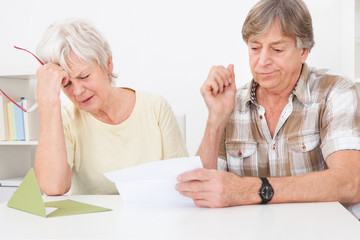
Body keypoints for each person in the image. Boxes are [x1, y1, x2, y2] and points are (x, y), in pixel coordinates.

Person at [175, 0, 360, 218]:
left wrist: (249, 190)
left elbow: (351, 183)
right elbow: (198, 190)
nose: (262, 61)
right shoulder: (232, 103)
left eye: (277, 49)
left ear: (304, 52)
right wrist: (216, 118)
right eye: (255, 48)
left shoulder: (334, 92)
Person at [34, 18, 188, 196]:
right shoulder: (65, 118)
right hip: (90, 223)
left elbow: (182, 183)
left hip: (151, 220)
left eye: (84, 77)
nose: (77, 91)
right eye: (66, 84)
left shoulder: (156, 108)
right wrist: (47, 103)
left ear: (108, 63)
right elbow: (53, 187)